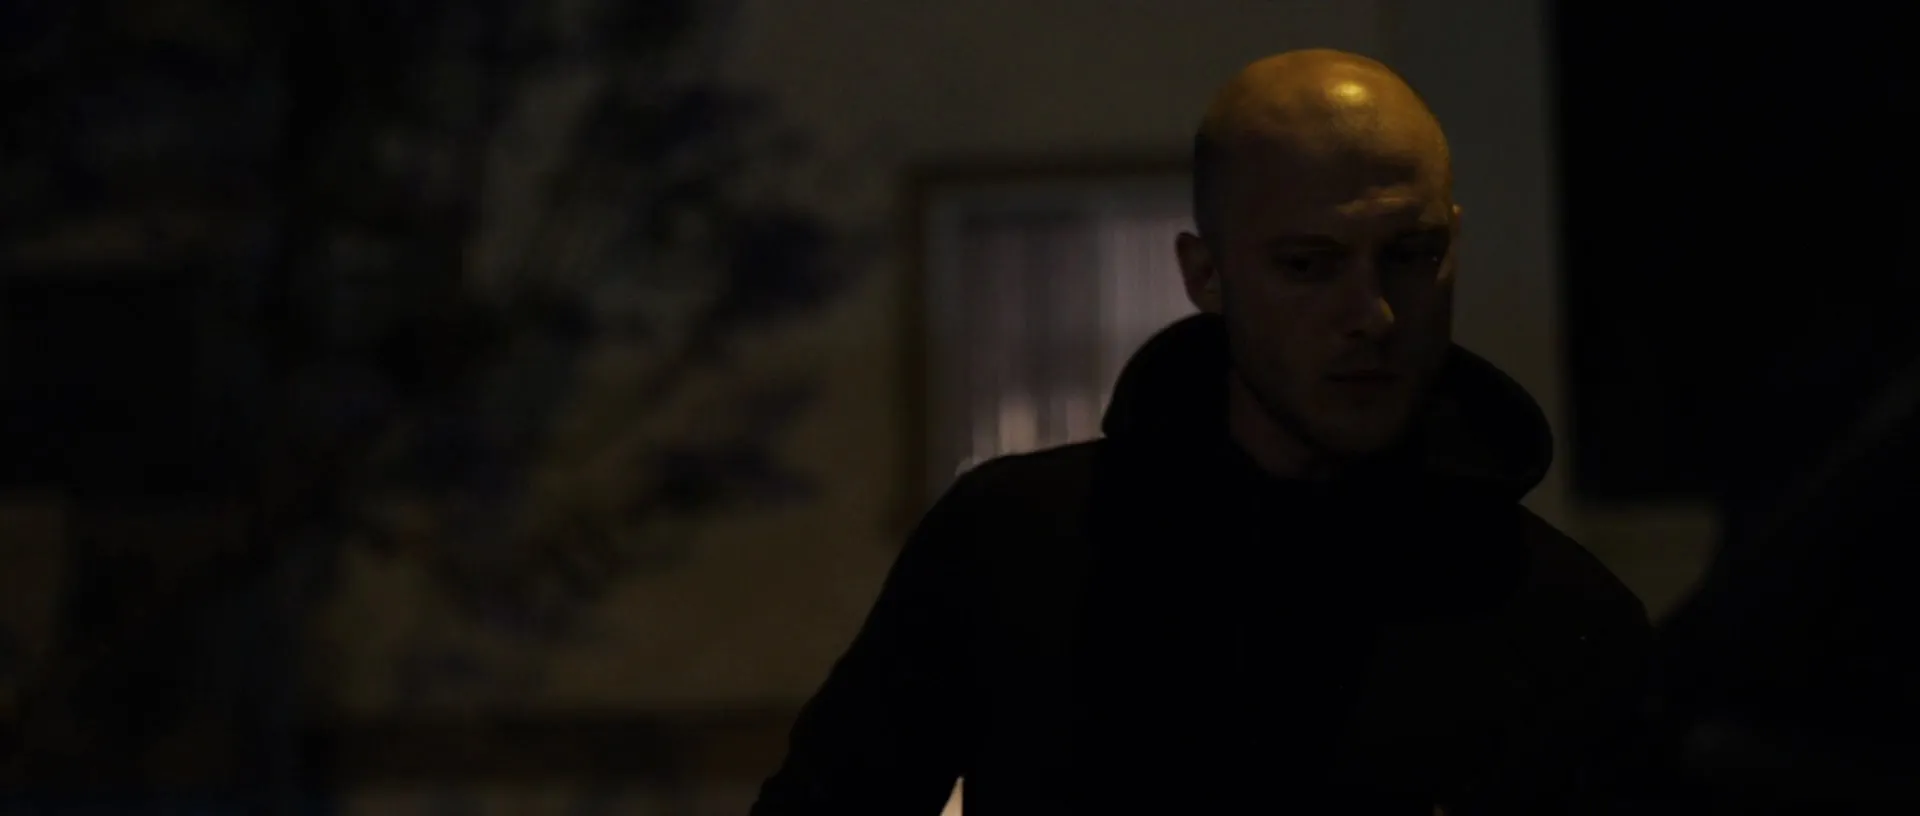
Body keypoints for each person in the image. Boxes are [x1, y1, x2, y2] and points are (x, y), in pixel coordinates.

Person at [753, 49, 1651, 815]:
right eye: (1309, 264)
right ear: (1205, 274)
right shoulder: (1016, 545)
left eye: (1411, 256)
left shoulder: (1557, 615)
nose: (1372, 314)